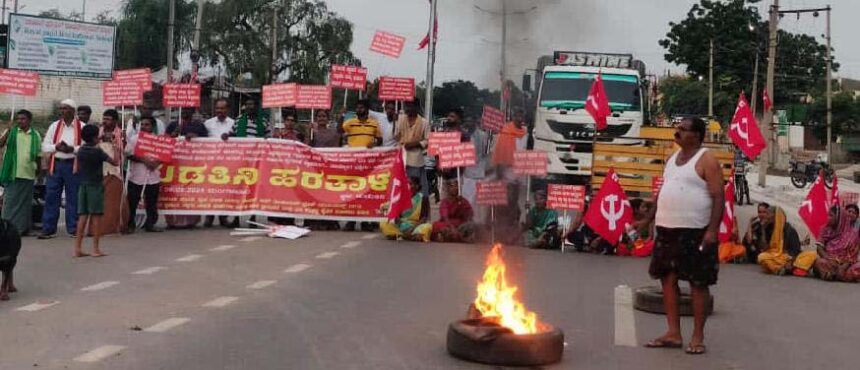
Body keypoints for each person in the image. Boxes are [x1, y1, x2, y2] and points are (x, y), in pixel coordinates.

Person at [645, 117, 724, 355]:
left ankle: (697, 337)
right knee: (667, 278)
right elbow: (662, 193)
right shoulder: (671, 160)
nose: (677, 132)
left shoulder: (707, 159)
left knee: (697, 282)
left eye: (683, 129)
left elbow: (718, 196)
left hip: (696, 230)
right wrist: (647, 220)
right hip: (667, 228)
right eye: (677, 128)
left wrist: (712, 230)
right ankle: (673, 333)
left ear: (697, 136)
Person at [39, 99, 84, 239]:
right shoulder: (54, 126)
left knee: (73, 197)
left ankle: (74, 228)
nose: (62, 111)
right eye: (61, 108)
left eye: (65, 108)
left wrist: (72, 149)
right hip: (56, 164)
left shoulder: (82, 126)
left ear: (73, 111)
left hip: (73, 164)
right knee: (51, 196)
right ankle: (48, 229)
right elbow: (45, 146)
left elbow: (86, 147)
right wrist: (56, 147)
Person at [73, 125, 120, 258]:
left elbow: (75, 169)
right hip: (95, 185)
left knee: (82, 217)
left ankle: (77, 248)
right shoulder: (98, 152)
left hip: (83, 185)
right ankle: (95, 248)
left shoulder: (81, 150)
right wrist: (115, 148)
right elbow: (115, 162)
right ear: (95, 137)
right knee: (96, 217)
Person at [0, 110, 42, 236]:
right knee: (10, 203)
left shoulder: (36, 135)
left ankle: (23, 229)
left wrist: (38, 172)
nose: (20, 121)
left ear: (29, 120)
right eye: (18, 119)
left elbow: (38, 156)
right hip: (12, 173)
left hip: (28, 173)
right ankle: (6, 230)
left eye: (23, 119)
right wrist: (7, 130)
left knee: (25, 204)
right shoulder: (12, 132)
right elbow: (0, 144)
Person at [342, 99, 382, 232]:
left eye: (361, 108)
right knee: (352, 192)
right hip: (353, 163)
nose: (359, 110)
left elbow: (380, 140)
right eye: (357, 108)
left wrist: (375, 143)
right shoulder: (350, 123)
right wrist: (342, 115)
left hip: (368, 164)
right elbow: (339, 129)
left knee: (366, 192)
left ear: (366, 109)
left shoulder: (374, 124)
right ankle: (351, 221)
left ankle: (365, 221)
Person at [164, 109, 204, 229]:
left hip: (193, 166)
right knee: (175, 193)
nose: (186, 112)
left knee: (191, 193)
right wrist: (173, 135)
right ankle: (173, 222)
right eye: (184, 109)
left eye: (188, 109)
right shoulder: (173, 125)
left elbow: (208, 142)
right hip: (176, 165)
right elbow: (164, 141)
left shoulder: (199, 126)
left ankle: (191, 221)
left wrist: (196, 137)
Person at [203, 99, 239, 228]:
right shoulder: (208, 123)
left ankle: (223, 217)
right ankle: (209, 216)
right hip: (211, 162)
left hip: (227, 163)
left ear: (227, 109)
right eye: (218, 108)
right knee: (210, 190)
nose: (220, 111)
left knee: (224, 191)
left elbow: (239, 140)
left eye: (222, 108)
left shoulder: (233, 123)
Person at [801, 206, 860, 282]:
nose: (828, 218)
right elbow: (819, 247)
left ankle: (834, 275)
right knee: (818, 262)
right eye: (828, 215)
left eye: (831, 216)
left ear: (839, 218)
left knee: (857, 267)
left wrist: (843, 267)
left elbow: (852, 255)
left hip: (846, 264)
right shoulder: (825, 229)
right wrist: (828, 259)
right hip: (829, 261)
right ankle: (832, 275)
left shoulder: (853, 234)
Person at [93, 110, 128, 235]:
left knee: (114, 201)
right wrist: (100, 139)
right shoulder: (98, 131)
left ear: (115, 121)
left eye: (108, 119)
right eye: (104, 118)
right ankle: (99, 228)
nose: (105, 121)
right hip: (99, 170)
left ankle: (115, 227)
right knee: (99, 200)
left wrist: (119, 141)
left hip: (115, 170)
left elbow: (125, 151)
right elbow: (91, 146)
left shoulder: (121, 133)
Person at [126, 116, 164, 233]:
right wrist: (144, 160)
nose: (143, 127)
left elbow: (165, 155)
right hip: (136, 175)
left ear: (152, 126)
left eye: (146, 124)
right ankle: (130, 224)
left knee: (151, 202)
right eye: (142, 124)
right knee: (132, 202)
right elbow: (128, 154)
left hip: (153, 176)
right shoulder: (134, 139)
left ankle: (150, 224)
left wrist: (155, 163)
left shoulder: (158, 140)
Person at [752, 206, 803, 275]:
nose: (766, 216)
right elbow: (764, 248)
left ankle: (782, 268)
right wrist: (763, 229)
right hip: (774, 256)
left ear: (775, 216)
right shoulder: (769, 228)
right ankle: (779, 269)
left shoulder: (789, 230)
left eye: (768, 214)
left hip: (786, 257)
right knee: (761, 257)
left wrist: (790, 261)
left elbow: (795, 249)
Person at [379, 177, 431, 242]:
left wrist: (413, 228)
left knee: (427, 227)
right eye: (406, 184)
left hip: (416, 226)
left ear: (417, 186)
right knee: (383, 223)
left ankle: (404, 235)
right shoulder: (400, 197)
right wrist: (398, 220)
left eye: (410, 184)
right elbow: (389, 207)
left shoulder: (423, 198)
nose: (408, 186)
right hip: (402, 225)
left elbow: (424, 218)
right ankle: (406, 235)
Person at [395, 100, 429, 197]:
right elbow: (395, 137)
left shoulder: (424, 122)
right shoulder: (401, 120)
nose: (408, 109)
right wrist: (394, 122)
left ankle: (416, 209)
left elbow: (427, 141)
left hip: (415, 160)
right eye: (407, 106)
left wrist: (415, 144)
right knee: (401, 186)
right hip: (401, 158)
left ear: (417, 108)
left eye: (410, 106)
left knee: (415, 188)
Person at [432, 179, 477, 243]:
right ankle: (457, 238)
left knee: (471, 225)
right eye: (452, 186)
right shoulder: (445, 202)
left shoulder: (462, 200)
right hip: (447, 224)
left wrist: (462, 205)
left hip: (460, 225)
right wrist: (452, 228)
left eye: (456, 186)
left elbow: (470, 214)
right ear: (448, 188)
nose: (454, 188)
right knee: (437, 226)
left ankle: (453, 237)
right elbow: (445, 217)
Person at [491, 108, 528, 180]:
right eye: (517, 116)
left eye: (521, 117)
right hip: (507, 170)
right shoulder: (505, 131)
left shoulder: (526, 133)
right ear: (513, 117)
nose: (519, 119)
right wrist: (498, 173)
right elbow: (498, 153)